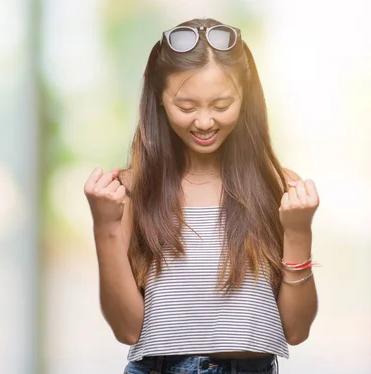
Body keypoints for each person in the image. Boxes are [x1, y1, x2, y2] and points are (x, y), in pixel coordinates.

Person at [83, 18, 319, 374]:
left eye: (222, 105)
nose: (205, 122)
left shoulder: (279, 187)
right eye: (187, 107)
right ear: (159, 101)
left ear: (247, 99)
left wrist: (299, 231)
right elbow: (127, 329)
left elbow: (296, 330)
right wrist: (104, 226)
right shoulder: (131, 190)